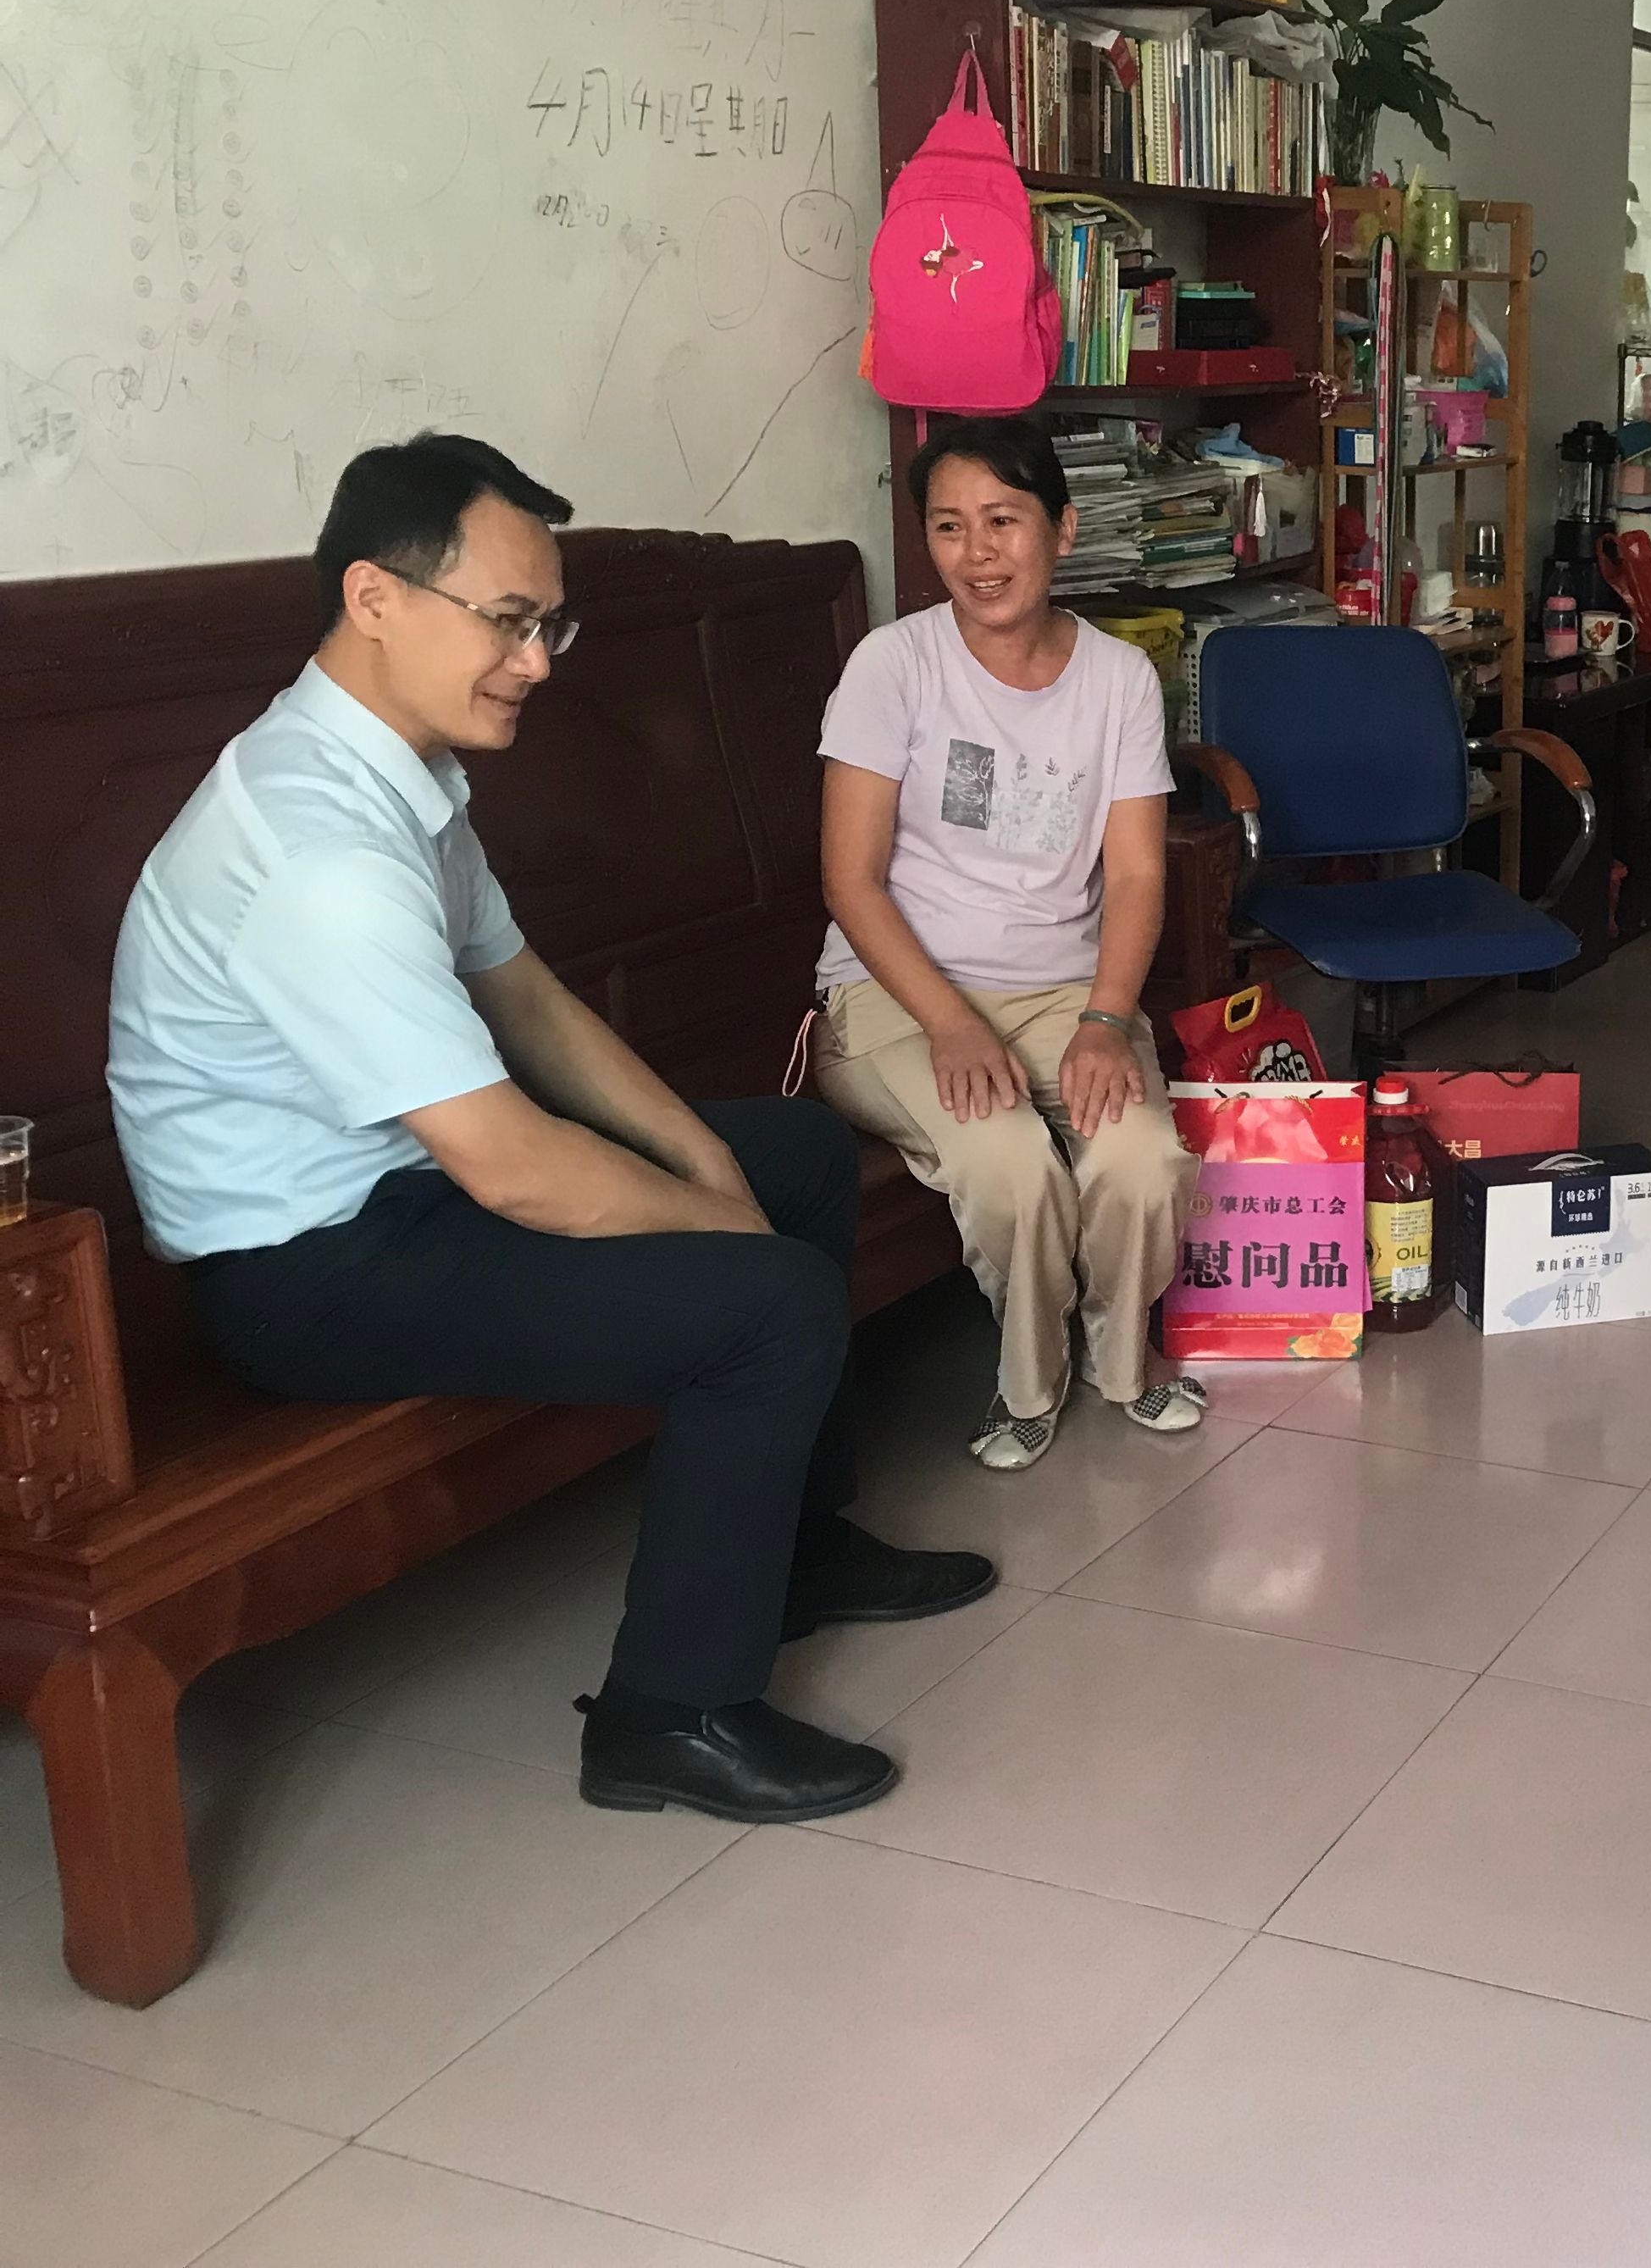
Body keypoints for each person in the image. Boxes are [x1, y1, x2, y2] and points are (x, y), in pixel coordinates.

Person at [109, 435, 993, 1824]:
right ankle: (669, 1714)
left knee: (799, 1155)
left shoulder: (394, 772)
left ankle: (792, 1550)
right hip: (308, 1269)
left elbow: (523, 994)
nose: (535, 662)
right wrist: (724, 1232)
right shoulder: (318, 852)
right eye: (509, 621)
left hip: (411, 1191)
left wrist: (708, 1164)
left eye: (549, 625)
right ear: (375, 596)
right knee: (768, 1302)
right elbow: (512, 1166)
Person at [812, 415, 1207, 1471]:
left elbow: (1137, 876)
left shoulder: (1119, 679)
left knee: (1141, 1159)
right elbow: (850, 879)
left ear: (1062, 529)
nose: (977, 553)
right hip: (896, 995)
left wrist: (1106, 1020)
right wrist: (950, 1023)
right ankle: (1030, 1385)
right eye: (949, 527)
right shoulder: (893, 666)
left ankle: (1125, 1360)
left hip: (1064, 990)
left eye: (1003, 520)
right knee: (1010, 1164)